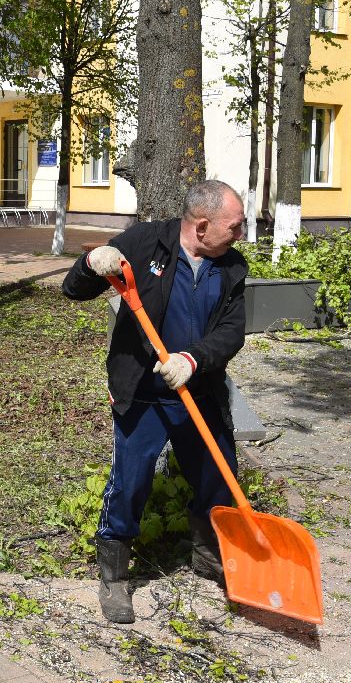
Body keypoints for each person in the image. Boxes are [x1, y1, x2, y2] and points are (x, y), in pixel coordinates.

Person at [61, 180, 249, 624]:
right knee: (131, 480)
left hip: (198, 389)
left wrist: (193, 359)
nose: (240, 235)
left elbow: (231, 332)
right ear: (202, 226)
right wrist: (91, 262)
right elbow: (74, 289)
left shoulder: (231, 267)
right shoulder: (145, 243)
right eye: (235, 226)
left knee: (218, 477)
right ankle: (114, 576)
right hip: (143, 393)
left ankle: (209, 556)